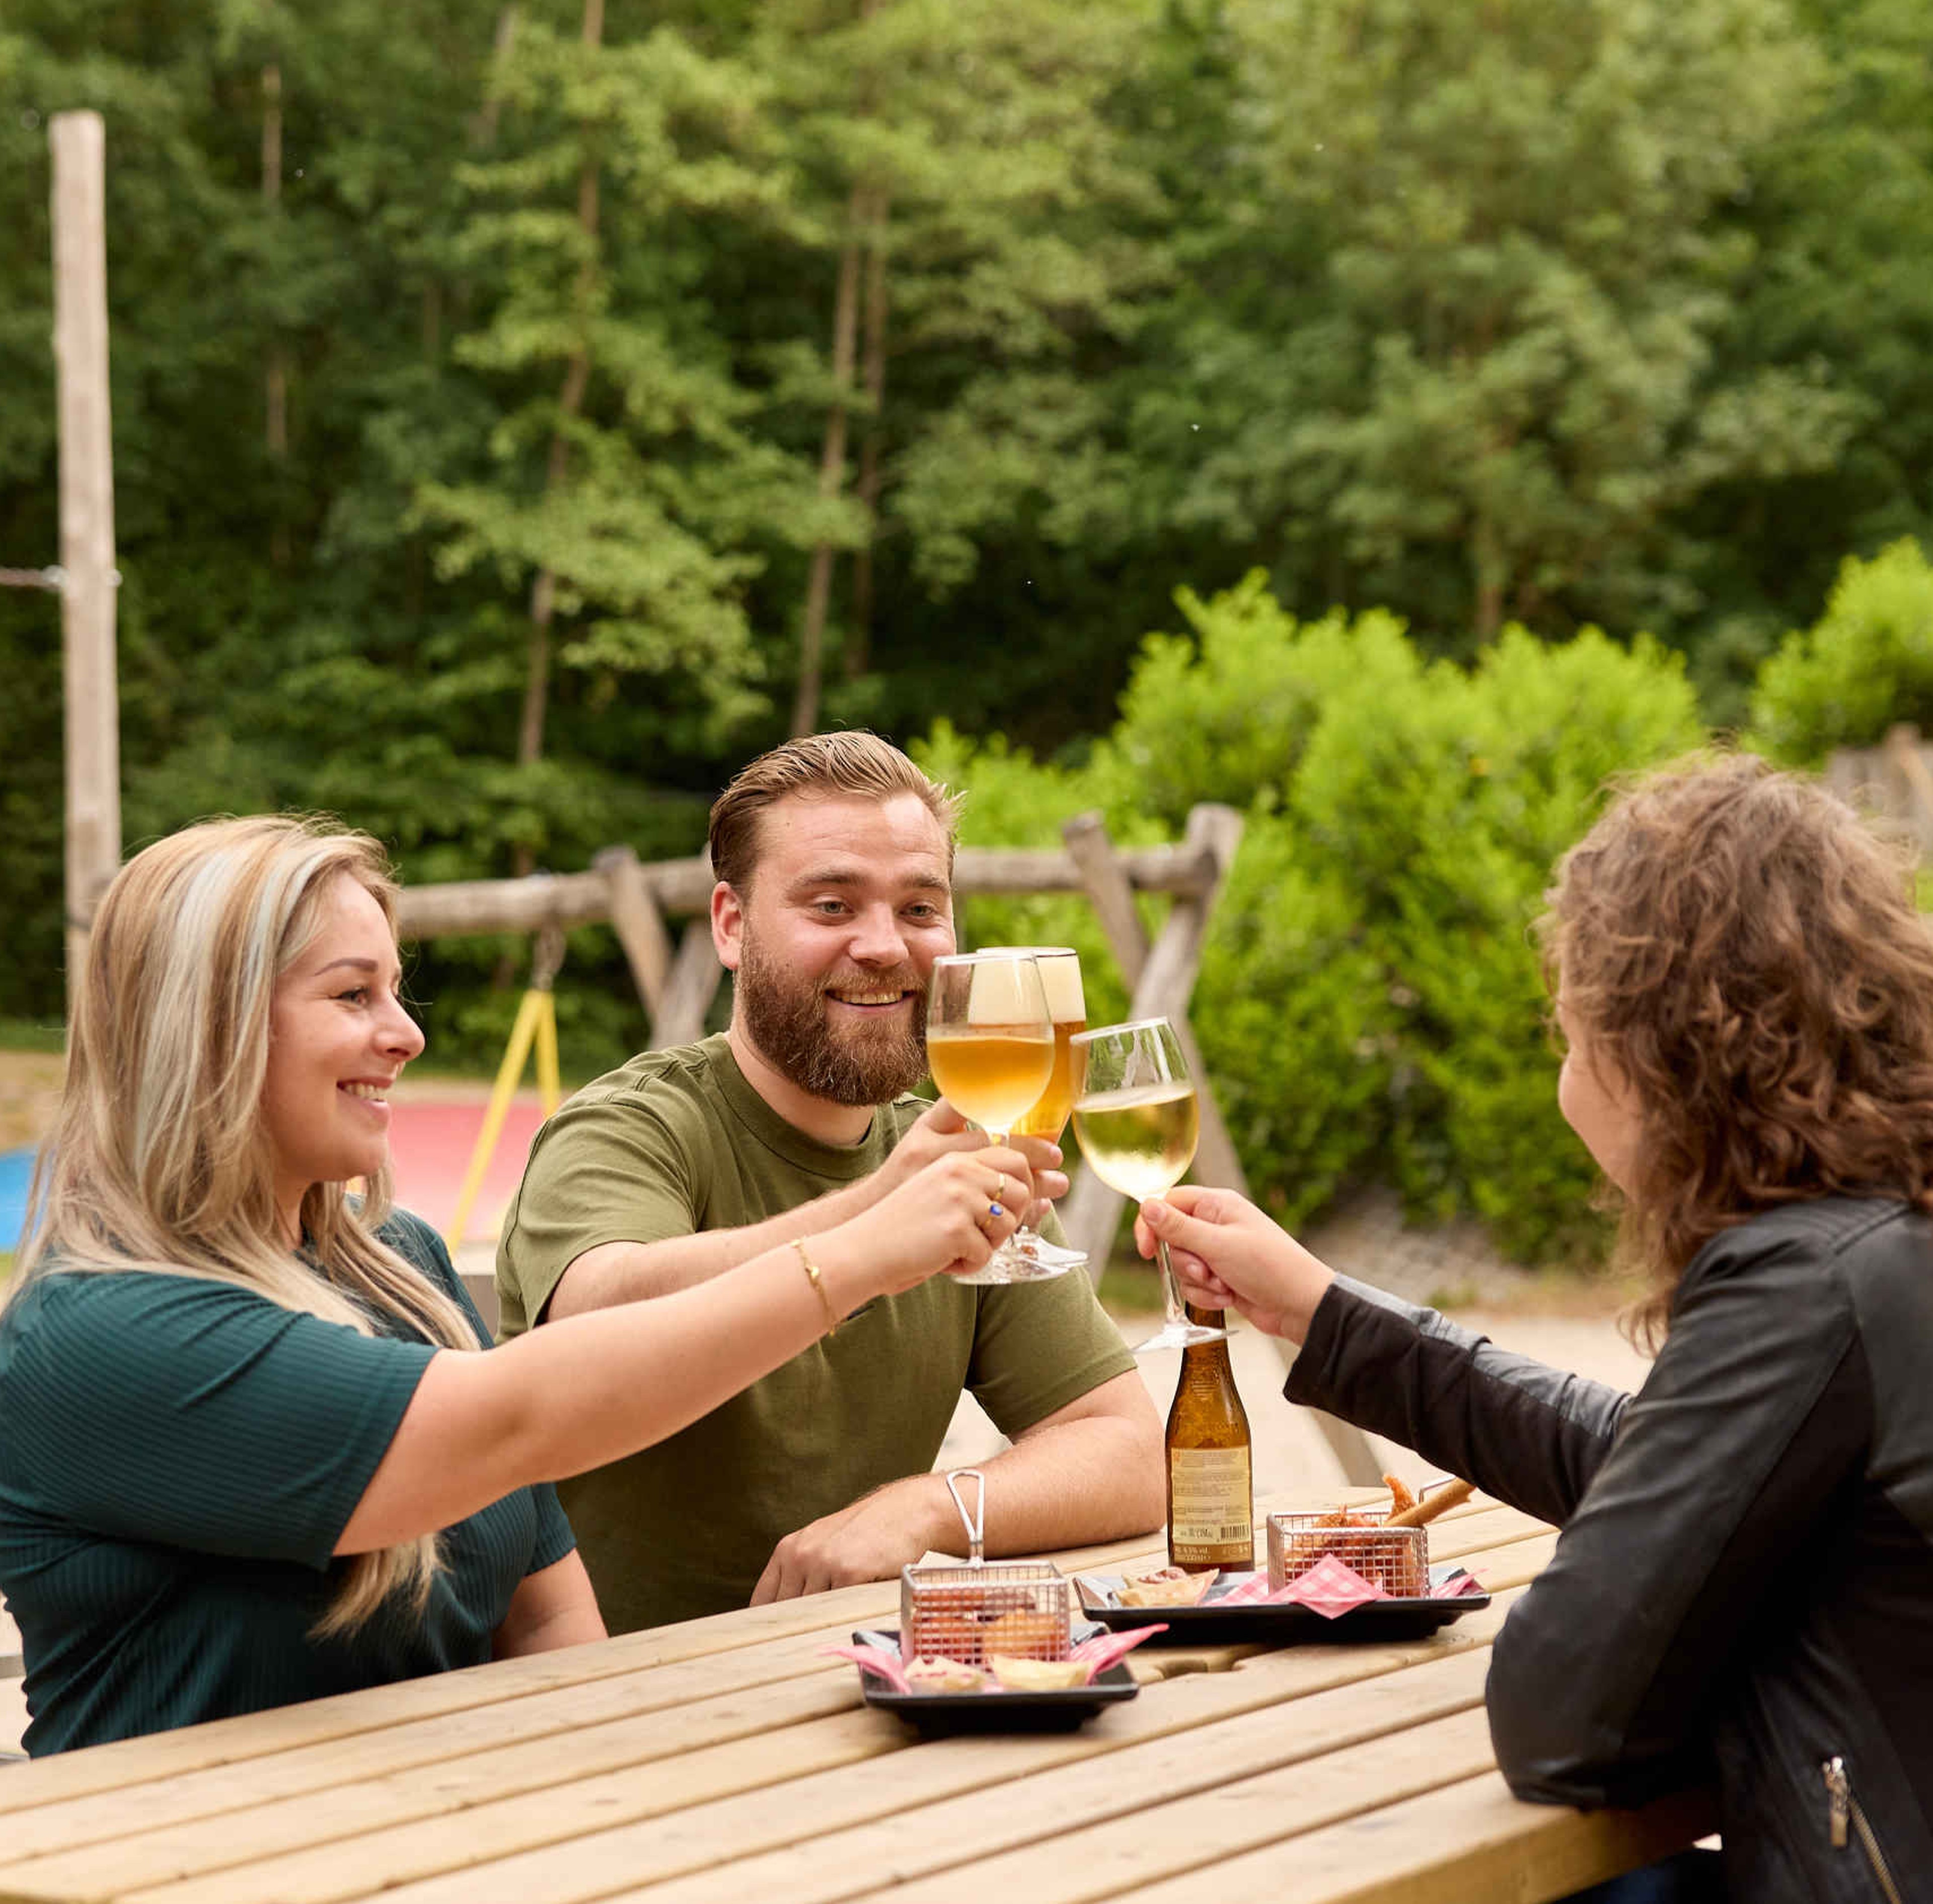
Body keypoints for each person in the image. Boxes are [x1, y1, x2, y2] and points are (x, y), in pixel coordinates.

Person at [0, 816, 1031, 1755]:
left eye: (396, 992)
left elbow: (546, 1619)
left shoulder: (402, 1266)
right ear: (209, 1026)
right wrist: (864, 1248)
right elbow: (513, 1421)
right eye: (354, 995)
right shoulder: (93, 1333)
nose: (406, 1035)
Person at [1138, 754, 1933, 1904]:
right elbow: (1668, 1469)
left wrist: (1719, 1639)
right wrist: (1324, 1315)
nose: (1565, 1087)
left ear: (1663, 1051)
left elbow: (1566, 1716)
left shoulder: (1804, 1282)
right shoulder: (1883, 1237)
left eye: (1569, 1039)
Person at [496, 731, 1164, 1633]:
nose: (885, 946)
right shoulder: (630, 1128)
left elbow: (1132, 1453)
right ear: (732, 926)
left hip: (859, 1690)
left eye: (921, 909)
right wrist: (879, 1218)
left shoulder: (950, 1158)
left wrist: (931, 1508)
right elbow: (600, 1317)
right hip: (607, 1708)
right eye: (833, 905)